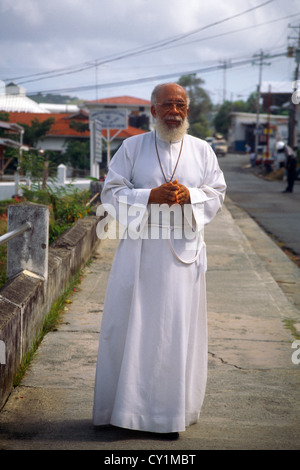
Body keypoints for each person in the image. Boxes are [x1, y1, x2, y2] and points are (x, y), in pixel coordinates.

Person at [93, 82, 226, 440]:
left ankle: (169, 415)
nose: (175, 111)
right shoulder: (131, 147)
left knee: (175, 335)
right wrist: (149, 195)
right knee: (132, 331)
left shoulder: (202, 150)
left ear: (187, 111)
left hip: (183, 257)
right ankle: (125, 411)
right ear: (153, 111)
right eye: (167, 104)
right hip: (139, 256)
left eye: (181, 105)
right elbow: (111, 191)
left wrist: (190, 196)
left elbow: (216, 192)